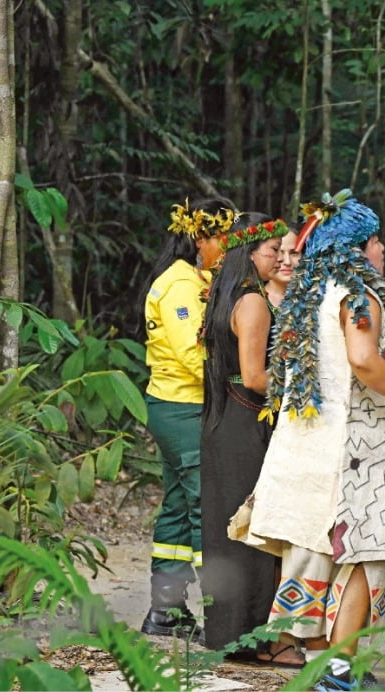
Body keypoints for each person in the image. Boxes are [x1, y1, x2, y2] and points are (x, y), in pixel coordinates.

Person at [229, 190, 385, 690]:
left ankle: (322, 667)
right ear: (359, 246)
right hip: (354, 451)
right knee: (361, 554)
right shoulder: (358, 295)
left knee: (312, 553)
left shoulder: (306, 296)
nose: (382, 249)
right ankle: (339, 675)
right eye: (377, 240)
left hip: (304, 445)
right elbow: (364, 359)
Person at [198, 213, 305, 666]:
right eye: (272, 253)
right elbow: (258, 375)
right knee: (257, 531)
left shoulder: (222, 297)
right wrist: (302, 391)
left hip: (221, 421)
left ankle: (228, 633)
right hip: (248, 422)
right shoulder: (254, 302)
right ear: (249, 253)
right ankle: (261, 640)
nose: (279, 259)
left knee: (225, 530)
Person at [141, 196, 234, 638]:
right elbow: (192, 355)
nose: (230, 247)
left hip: (182, 404)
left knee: (179, 507)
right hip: (182, 406)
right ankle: (220, 614)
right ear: (200, 238)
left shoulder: (200, 277)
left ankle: (166, 610)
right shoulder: (179, 285)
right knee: (205, 507)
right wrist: (243, 381)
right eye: (223, 238)